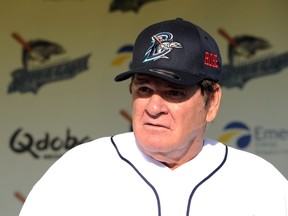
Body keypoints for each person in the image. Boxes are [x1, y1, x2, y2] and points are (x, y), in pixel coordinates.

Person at [19, 18, 288, 216]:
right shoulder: (80, 171)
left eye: (174, 92)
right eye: (144, 89)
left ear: (212, 101)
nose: (154, 107)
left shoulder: (258, 183)